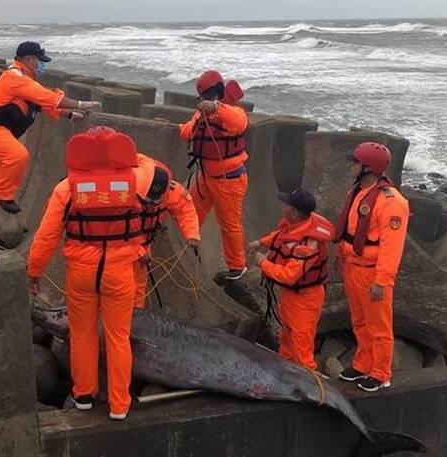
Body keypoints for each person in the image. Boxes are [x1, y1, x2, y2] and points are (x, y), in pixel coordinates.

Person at [28, 127, 148, 420]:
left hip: (81, 272)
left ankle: (83, 394)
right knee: (119, 337)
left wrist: (34, 272)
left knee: (82, 335)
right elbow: (151, 170)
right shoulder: (135, 184)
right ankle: (120, 404)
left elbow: (46, 236)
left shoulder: (66, 189)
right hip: (120, 272)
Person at [0, 41, 99, 214]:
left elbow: (38, 104)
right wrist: (78, 104)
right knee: (18, 156)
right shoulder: (15, 77)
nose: (42, 65)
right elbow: (46, 97)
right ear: (28, 59)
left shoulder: (23, 79)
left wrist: (69, 114)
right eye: (39, 61)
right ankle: (2, 197)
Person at [334, 142, 409, 392]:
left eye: (355, 162)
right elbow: (350, 232)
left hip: (373, 272)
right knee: (359, 321)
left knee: (379, 326)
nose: (351, 166)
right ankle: (362, 364)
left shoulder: (391, 201)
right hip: (353, 267)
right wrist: (341, 257)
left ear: (368, 167)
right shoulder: (356, 192)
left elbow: (392, 246)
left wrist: (382, 281)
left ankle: (380, 373)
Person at [249, 189, 334, 374]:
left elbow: (289, 275)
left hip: (305, 299)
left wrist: (262, 262)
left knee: (302, 349)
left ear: (294, 212)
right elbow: (280, 237)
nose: (283, 206)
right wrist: (261, 242)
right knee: (286, 341)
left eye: (286, 204)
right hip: (289, 296)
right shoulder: (295, 224)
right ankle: (285, 374)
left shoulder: (308, 245)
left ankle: (311, 387)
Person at [179, 69, 249, 281]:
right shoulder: (201, 115)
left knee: (229, 225)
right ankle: (187, 245)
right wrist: (197, 118)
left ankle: (237, 267)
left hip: (230, 179)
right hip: (207, 177)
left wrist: (216, 108)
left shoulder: (233, 112)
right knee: (189, 207)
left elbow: (240, 123)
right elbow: (186, 133)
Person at [132, 153, 200, 309]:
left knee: (138, 285)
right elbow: (116, 227)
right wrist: (139, 250)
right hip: (121, 244)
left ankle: (136, 318)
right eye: (146, 201)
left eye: (155, 201)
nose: (150, 205)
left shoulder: (171, 191)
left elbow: (184, 208)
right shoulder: (125, 188)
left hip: (143, 241)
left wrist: (192, 234)